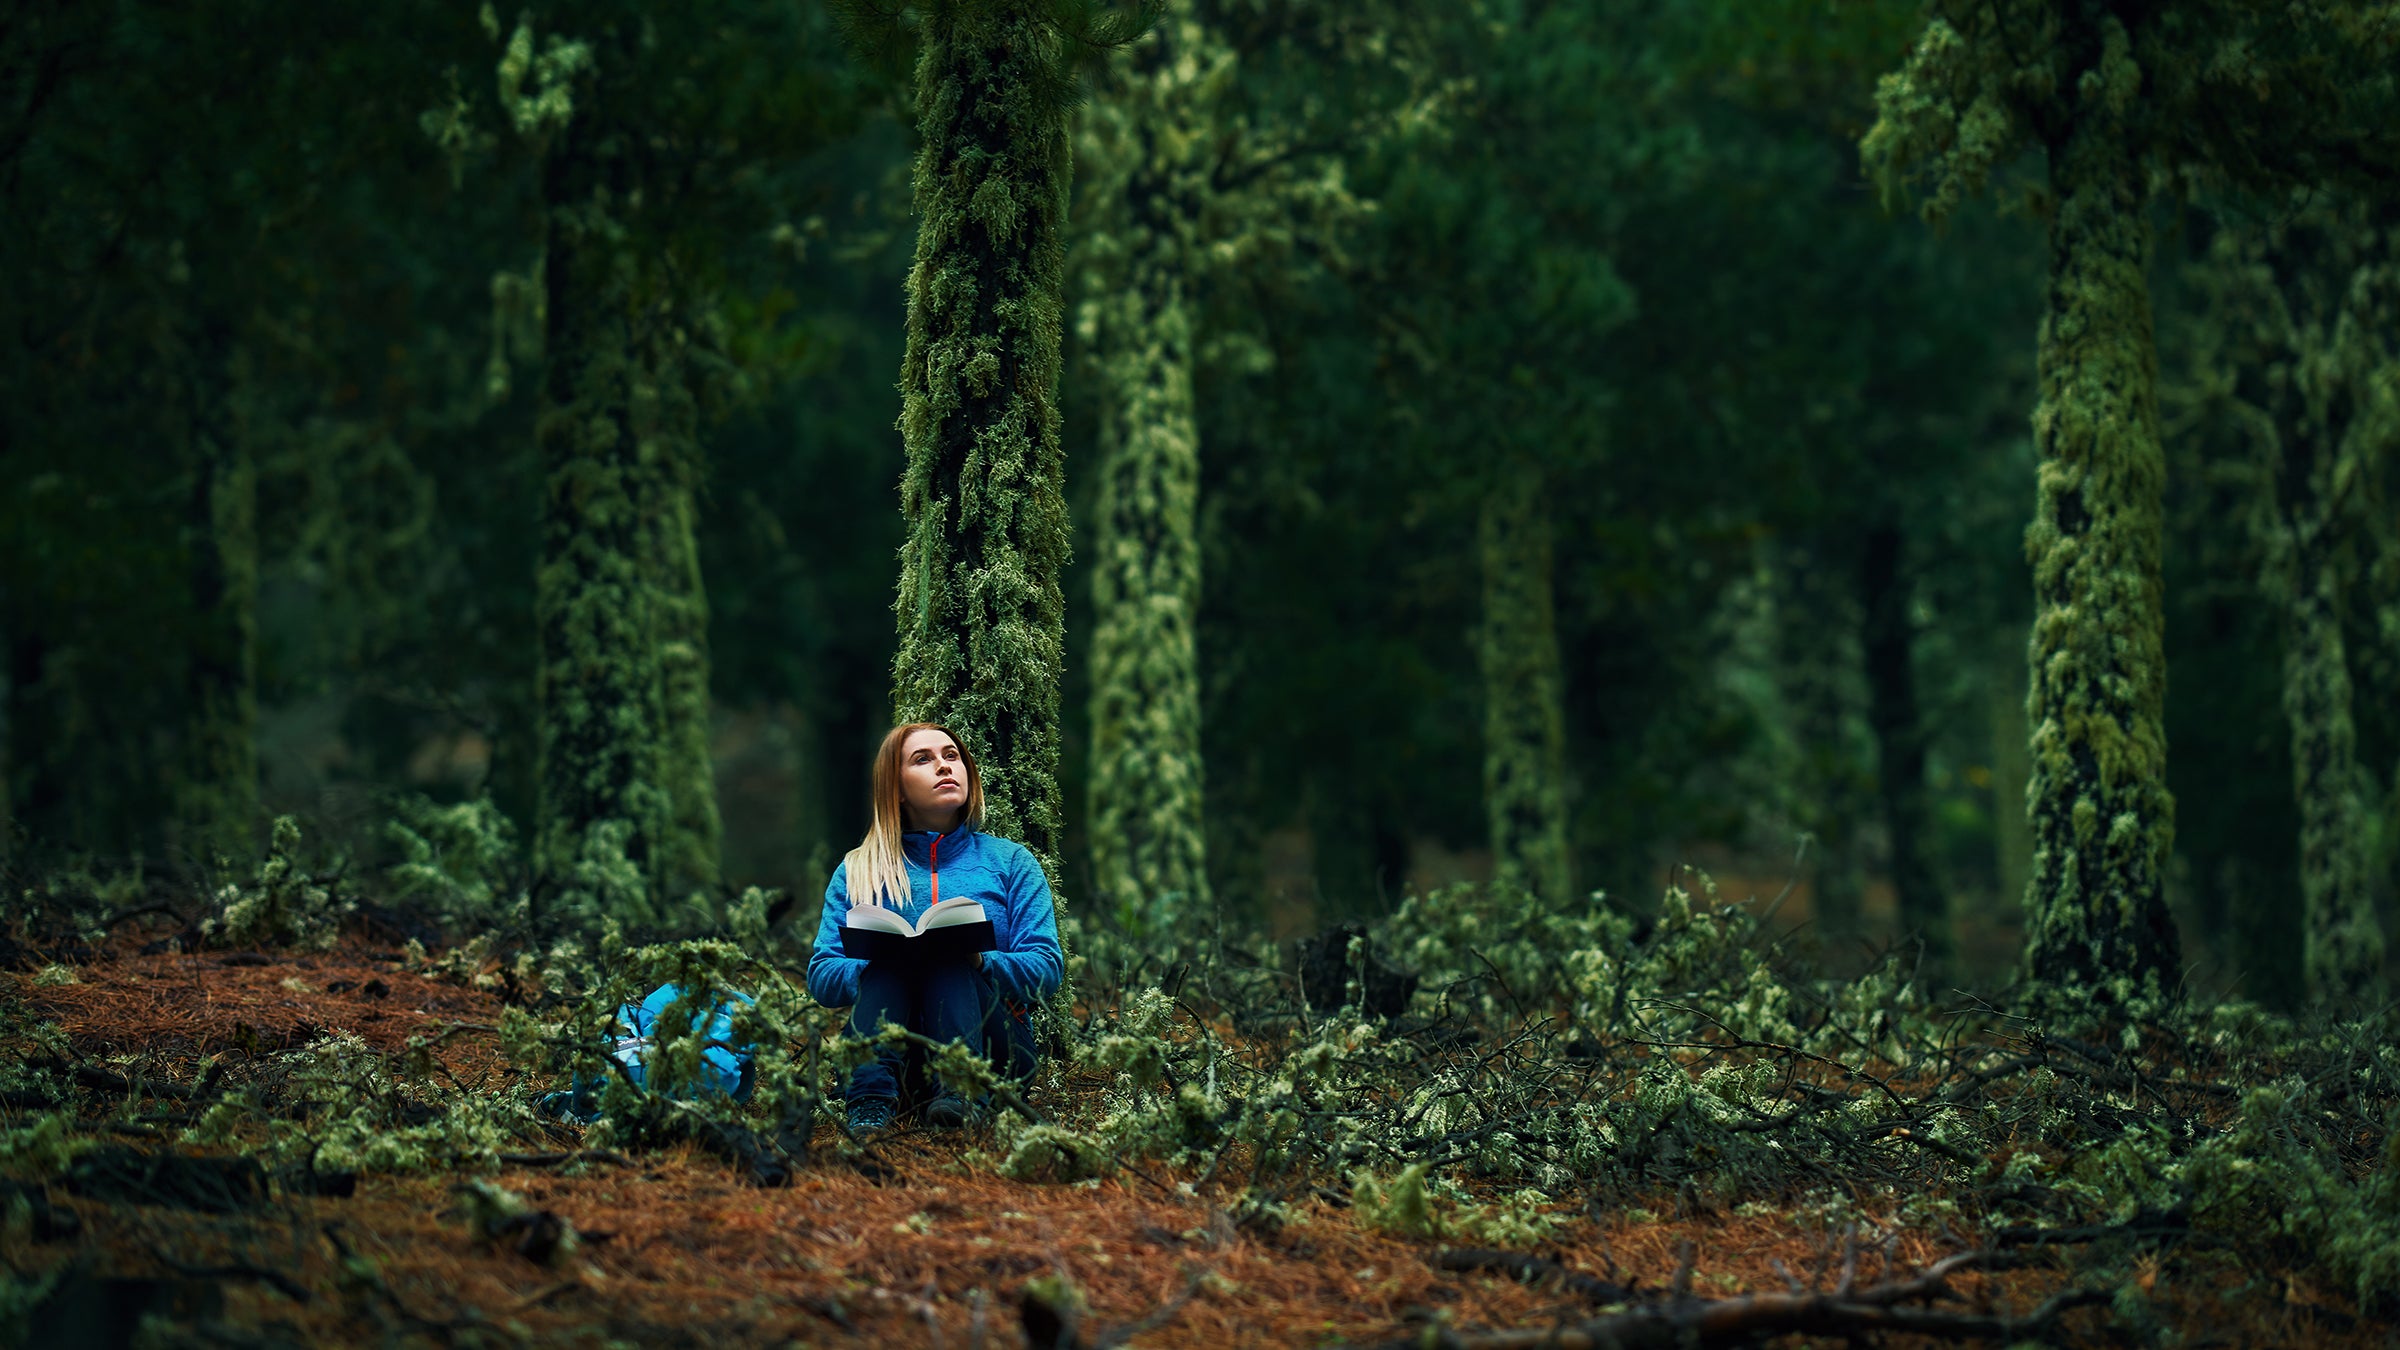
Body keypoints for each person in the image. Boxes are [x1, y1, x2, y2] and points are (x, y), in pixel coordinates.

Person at [807, 722, 1062, 1133]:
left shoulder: (1011, 862)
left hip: (996, 1055)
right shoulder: (858, 869)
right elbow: (822, 976)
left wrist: (980, 961)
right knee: (888, 965)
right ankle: (868, 1102)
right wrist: (879, 962)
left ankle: (960, 1095)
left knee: (948, 958)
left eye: (951, 755)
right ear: (898, 789)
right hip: (897, 1055)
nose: (944, 766)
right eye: (923, 759)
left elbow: (1047, 968)